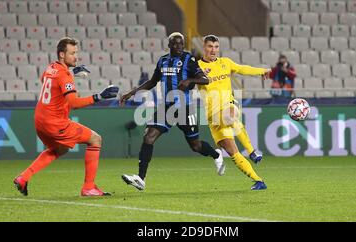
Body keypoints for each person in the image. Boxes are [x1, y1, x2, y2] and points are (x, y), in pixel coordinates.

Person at [13, 37, 119, 197]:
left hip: (40, 122)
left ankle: (23, 178)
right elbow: (74, 103)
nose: (76, 57)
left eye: (76, 53)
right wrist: (99, 96)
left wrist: (70, 74)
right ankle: (89, 187)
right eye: (72, 53)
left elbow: (44, 79)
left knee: (59, 150)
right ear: (62, 54)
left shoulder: (51, 68)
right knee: (95, 139)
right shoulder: (64, 75)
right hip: (56, 123)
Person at [119, 32, 224, 191]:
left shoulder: (189, 60)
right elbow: (153, 82)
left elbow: (204, 79)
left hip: (184, 108)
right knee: (149, 137)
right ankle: (141, 178)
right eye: (175, 44)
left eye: (181, 44)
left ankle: (216, 155)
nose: (179, 47)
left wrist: (189, 80)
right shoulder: (163, 61)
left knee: (195, 146)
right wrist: (132, 92)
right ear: (169, 45)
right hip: (166, 107)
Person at [197, 34, 271, 190]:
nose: (213, 50)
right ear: (204, 47)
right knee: (233, 152)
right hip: (212, 117)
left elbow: (243, 69)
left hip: (228, 105)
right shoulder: (196, 67)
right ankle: (258, 181)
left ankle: (252, 151)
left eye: (216, 47)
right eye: (210, 46)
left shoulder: (225, 62)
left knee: (230, 115)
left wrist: (261, 71)